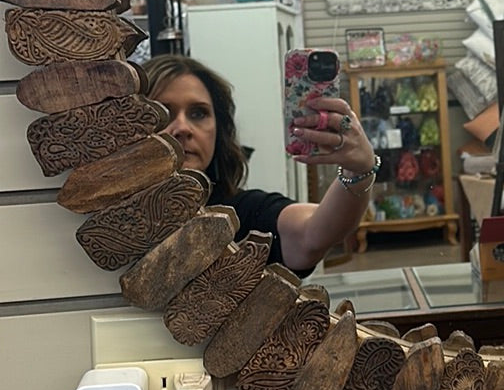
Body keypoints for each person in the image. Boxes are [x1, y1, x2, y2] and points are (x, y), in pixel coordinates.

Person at [143, 54, 378, 275]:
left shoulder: (241, 216)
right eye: (162, 113)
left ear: (218, 129)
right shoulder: (119, 222)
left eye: (198, 114)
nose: (182, 128)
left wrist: (360, 168)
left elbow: (313, 233)